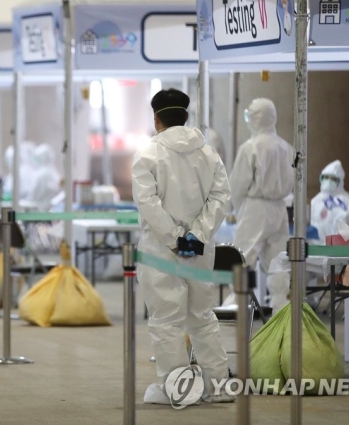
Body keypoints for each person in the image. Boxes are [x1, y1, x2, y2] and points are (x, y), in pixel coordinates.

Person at [132, 88, 234, 405]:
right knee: (202, 317)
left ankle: (177, 389)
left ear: (157, 118)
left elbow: (147, 203)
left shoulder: (147, 154)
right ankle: (218, 387)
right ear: (186, 116)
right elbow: (221, 198)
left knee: (166, 321)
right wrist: (198, 236)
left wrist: (175, 238)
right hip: (200, 252)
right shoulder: (209, 153)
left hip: (162, 252)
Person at [229, 98, 295, 276]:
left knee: (242, 260)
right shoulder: (287, 148)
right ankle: (282, 302)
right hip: (280, 209)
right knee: (279, 264)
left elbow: (238, 185)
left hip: (255, 209)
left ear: (254, 119)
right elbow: (293, 181)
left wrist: (237, 209)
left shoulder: (250, 148)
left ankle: (239, 302)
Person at [310, 160, 349, 242]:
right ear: (321, 178)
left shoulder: (348, 202)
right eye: (326, 177)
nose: (328, 181)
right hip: (317, 248)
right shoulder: (316, 201)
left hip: (339, 250)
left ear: (340, 181)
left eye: (333, 179)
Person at [29, 143, 61, 211]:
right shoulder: (54, 173)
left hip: (39, 212)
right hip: (50, 211)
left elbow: (33, 198)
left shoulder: (41, 175)